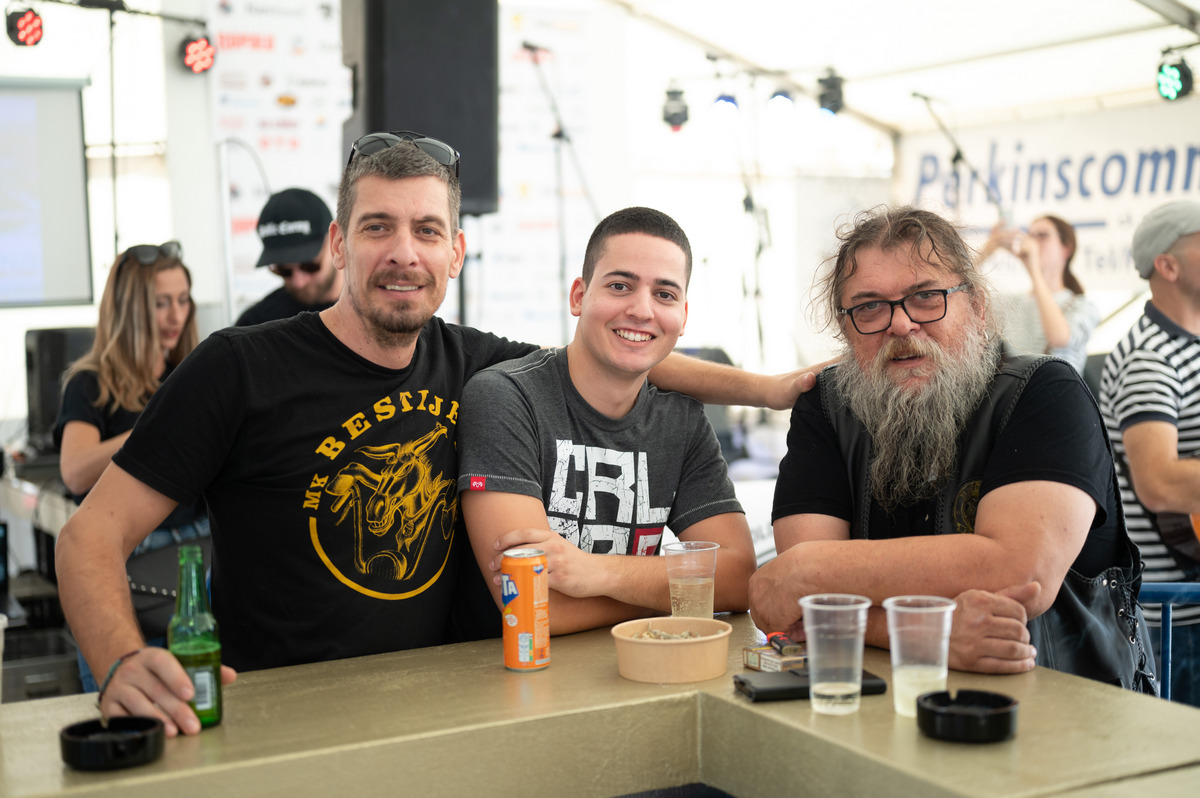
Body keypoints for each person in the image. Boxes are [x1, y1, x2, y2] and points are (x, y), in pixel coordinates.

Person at [55, 131, 823, 737]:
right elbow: (89, 537)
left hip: (445, 702)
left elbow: (622, 350)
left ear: (454, 251)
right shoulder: (239, 367)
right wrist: (119, 661)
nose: (404, 252)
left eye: (427, 230)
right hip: (281, 715)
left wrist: (768, 390)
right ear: (338, 245)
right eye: (378, 227)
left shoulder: (474, 362)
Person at [748, 205, 1155, 692]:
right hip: (873, 708)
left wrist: (809, 570)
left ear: (977, 306)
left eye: (926, 296)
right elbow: (795, 604)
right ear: (845, 328)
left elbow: (1019, 571)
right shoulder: (826, 407)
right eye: (869, 307)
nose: (901, 324)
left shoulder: (1045, 392)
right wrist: (933, 637)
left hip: (1062, 705)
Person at [457, 207, 756, 634]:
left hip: (639, 661)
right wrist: (679, 594)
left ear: (684, 317)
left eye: (665, 295)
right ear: (579, 296)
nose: (642, 310)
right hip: (513, 667)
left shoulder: (682, 421)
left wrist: (599, 573)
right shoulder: (506, 397)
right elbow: (534, 604)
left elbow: (739, 578)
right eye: (620, 286)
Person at [52, 241, 210, 691]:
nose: (175, 316)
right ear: (129, 309)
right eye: (160, 303)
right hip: (125, 565)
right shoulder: (91, 384)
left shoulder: (194, 376)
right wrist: (157, 426)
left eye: (183, 300)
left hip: (198, 561)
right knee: (127, 697)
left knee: (199, 698)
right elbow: (75, 470)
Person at [1100, 200, 1200, 706]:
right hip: (1175, 618)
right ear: (1169, 265)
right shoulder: (1149, 358)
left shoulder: (1187, 346)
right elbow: (1158, 481)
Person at [979, 215, 1099, 373]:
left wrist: (1033, 268)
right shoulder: (1011, 303)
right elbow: (963, 295)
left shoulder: (1082, 305)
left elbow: (1060, 338)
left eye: (1042, 235)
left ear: (1066, 249)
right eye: (1030, 235)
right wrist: (988, 249)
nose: (1034, 242)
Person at [235, 188, 343, 326]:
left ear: (336, 242)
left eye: (309, 266)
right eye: (283, 270)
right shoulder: (257, 323)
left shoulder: (368, 311)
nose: (298, 282)